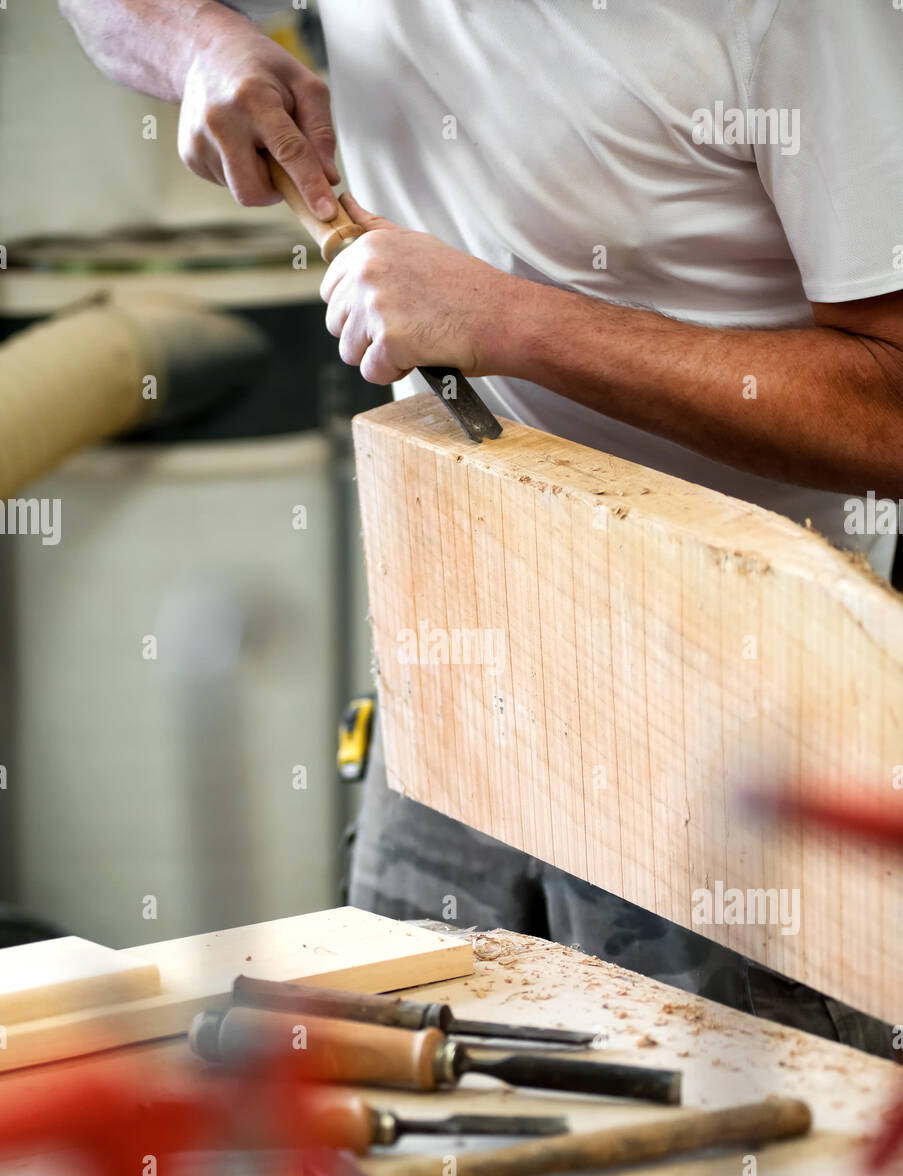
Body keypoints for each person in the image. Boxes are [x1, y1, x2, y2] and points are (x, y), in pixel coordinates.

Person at [61, 0, 903, 1055]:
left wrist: (515, 323)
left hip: (732, 711)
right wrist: (197, 42)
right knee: (409, 1111)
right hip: (452, 642)